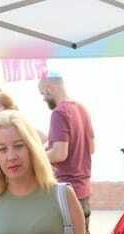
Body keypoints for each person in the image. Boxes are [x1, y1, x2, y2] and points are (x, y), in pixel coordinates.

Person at [39, 75, 94, 217]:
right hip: (84, 190)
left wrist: (36, 155)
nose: (43, 99)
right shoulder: (82, 109)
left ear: (50, 89)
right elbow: (92, 148)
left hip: (67, 191)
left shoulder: (59, 112)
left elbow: (59, 153)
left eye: (43, 94)